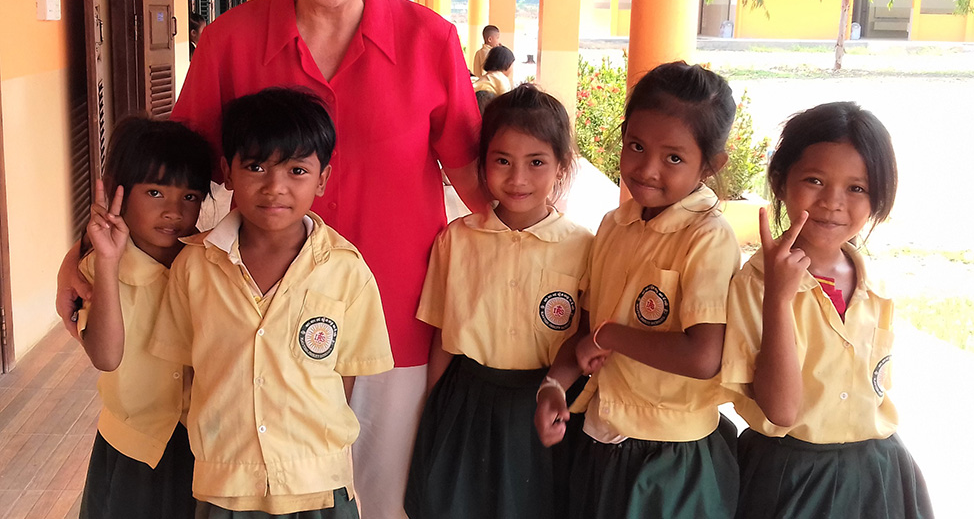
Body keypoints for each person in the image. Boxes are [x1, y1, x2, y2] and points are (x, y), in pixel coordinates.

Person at [57, 0, 485, 514]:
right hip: (251, 322)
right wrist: (80, 254)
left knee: (378, 498)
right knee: (261, 497)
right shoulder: (231, 39)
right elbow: (168, 170)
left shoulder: (430, 40)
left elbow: (484, 187)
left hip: (393, 317)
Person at [149, 88, 393, 518]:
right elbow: (186, 369)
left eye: (297, 170)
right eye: (256, 166)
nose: (274, 187)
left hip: (316, 484)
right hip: (226, 483)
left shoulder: (346, 269)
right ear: (227, 171)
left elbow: (346, 378)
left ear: (323, 179)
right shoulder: (195, 266)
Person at [535, 62, 741, 519]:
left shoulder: (707, 237)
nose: (647, 169)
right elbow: (587, 329)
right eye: (636, 146)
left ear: (711, 164)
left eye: (673, 157)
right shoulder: (615, 224)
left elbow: (703, 355)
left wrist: (610, 337)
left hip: (669, 459)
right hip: (600, 436)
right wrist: (554, 384)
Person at [721, 101, 934, 519]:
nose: (833, 202)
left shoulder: (874, 287)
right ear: (781, 183)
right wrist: (778, 300)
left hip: (879, 474)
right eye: (815, 180)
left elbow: (871, 391)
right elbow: (781, 411)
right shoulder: (756, 285)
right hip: (790, 476)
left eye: (857, 188)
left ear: (878, 198)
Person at [405, 84, 593, 519]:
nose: (518, 178)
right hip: (467, 402)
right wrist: (430, 411)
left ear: (562, 166)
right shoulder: (457, 239)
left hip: (545, 400)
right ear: (483, 162)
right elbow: (442, 335)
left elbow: (586, 333)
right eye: (502, 161)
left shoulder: (583, 246)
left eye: (536, 162)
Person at [77, 117, 213, 519]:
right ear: (119, 191)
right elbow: (105, 357)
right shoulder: (97, 269)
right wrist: (106, 261)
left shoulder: (212, 264)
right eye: (155, 192)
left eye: (189, 197)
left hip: (201, 443)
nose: (173, 211)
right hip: (133, 445)